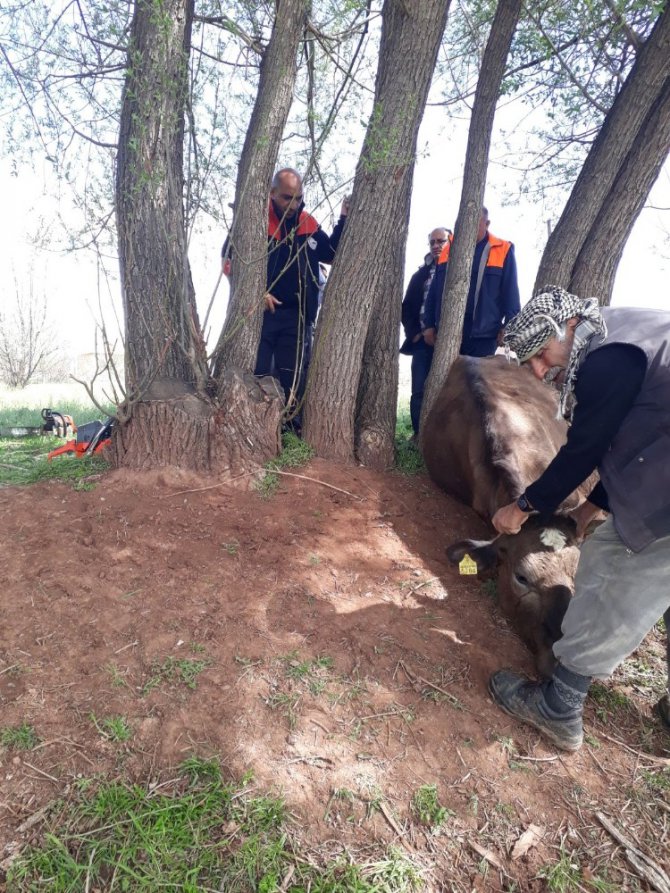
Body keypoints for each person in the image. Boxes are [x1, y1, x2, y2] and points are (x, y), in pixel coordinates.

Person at [487, 286, 670, 752]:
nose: (539, 371)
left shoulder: (609, 358)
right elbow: (638, 439)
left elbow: (585, 449)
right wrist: (589, 509)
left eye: (538, 357)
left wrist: (522, 506)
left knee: (611, 563)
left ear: (562, 330)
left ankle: (559, 706)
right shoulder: (629, 335)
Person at [222, 169, 348, 426]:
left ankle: (289, 431)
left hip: (298, 316)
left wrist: (344, 220)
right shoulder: (254, 221)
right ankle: (252, 429)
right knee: (257, 372)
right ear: (271, 193)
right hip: (262, 315)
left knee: (293, 378)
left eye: (299, 198)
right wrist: (257, 291)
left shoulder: (307, 223)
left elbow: (331, 254)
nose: (294, 205)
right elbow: (228, 262)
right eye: (287, 198)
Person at [422, 207, 520, 358]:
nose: (471, 227)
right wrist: (428, 325)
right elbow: (434, 292)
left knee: (477, 380)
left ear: (487, 224)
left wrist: (509, 327)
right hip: (449, 331)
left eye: (477, 223)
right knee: (450, 379)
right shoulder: (448, 249)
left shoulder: (502, 249)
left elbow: (511, 294)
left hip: (484, 335)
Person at [400, 227, 451, 437]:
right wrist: (415, 334)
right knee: (419, 391)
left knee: (447, 392)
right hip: (422, 343)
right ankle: (419, 436)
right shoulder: (420, 275)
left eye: (441, 241)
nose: (436, 246)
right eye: (432, 242)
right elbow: (407, 308)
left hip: (448, 343)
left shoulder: (458, 272)